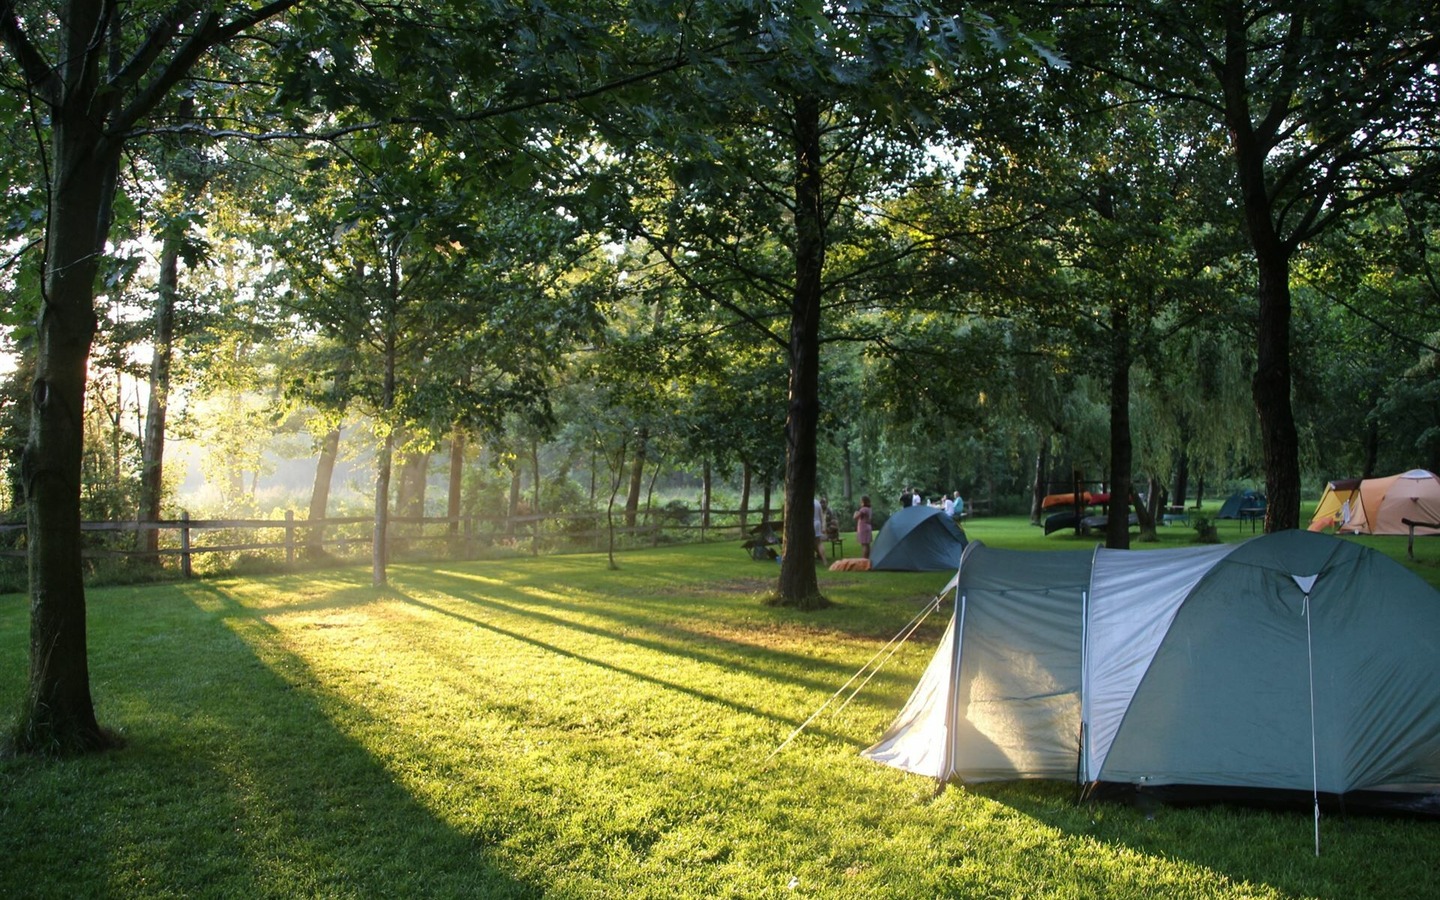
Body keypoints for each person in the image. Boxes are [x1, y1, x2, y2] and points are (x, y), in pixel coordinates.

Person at [813, 497, 827, 564]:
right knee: (819, 543)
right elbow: (821, 516)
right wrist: (822, 526)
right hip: (817, 523)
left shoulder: (805, 502)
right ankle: (824, 561)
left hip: (810, 524)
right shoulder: (817, 502)